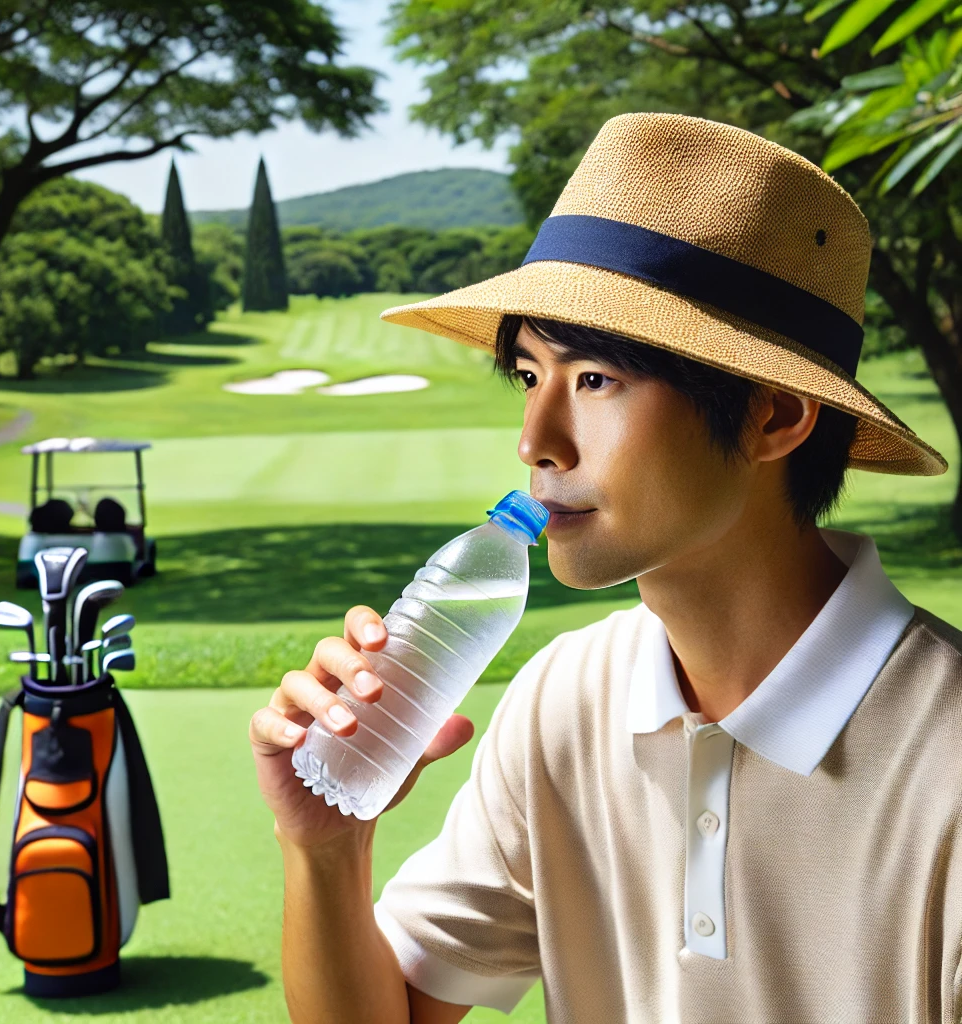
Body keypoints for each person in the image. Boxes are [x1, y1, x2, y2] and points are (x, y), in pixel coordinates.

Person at [248, 112, 962, 1023]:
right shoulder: (565, 699)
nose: (534, 440)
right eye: (529, 375)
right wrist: (323, 848)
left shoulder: (946, 762)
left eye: (594, 380)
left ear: (775, 417)